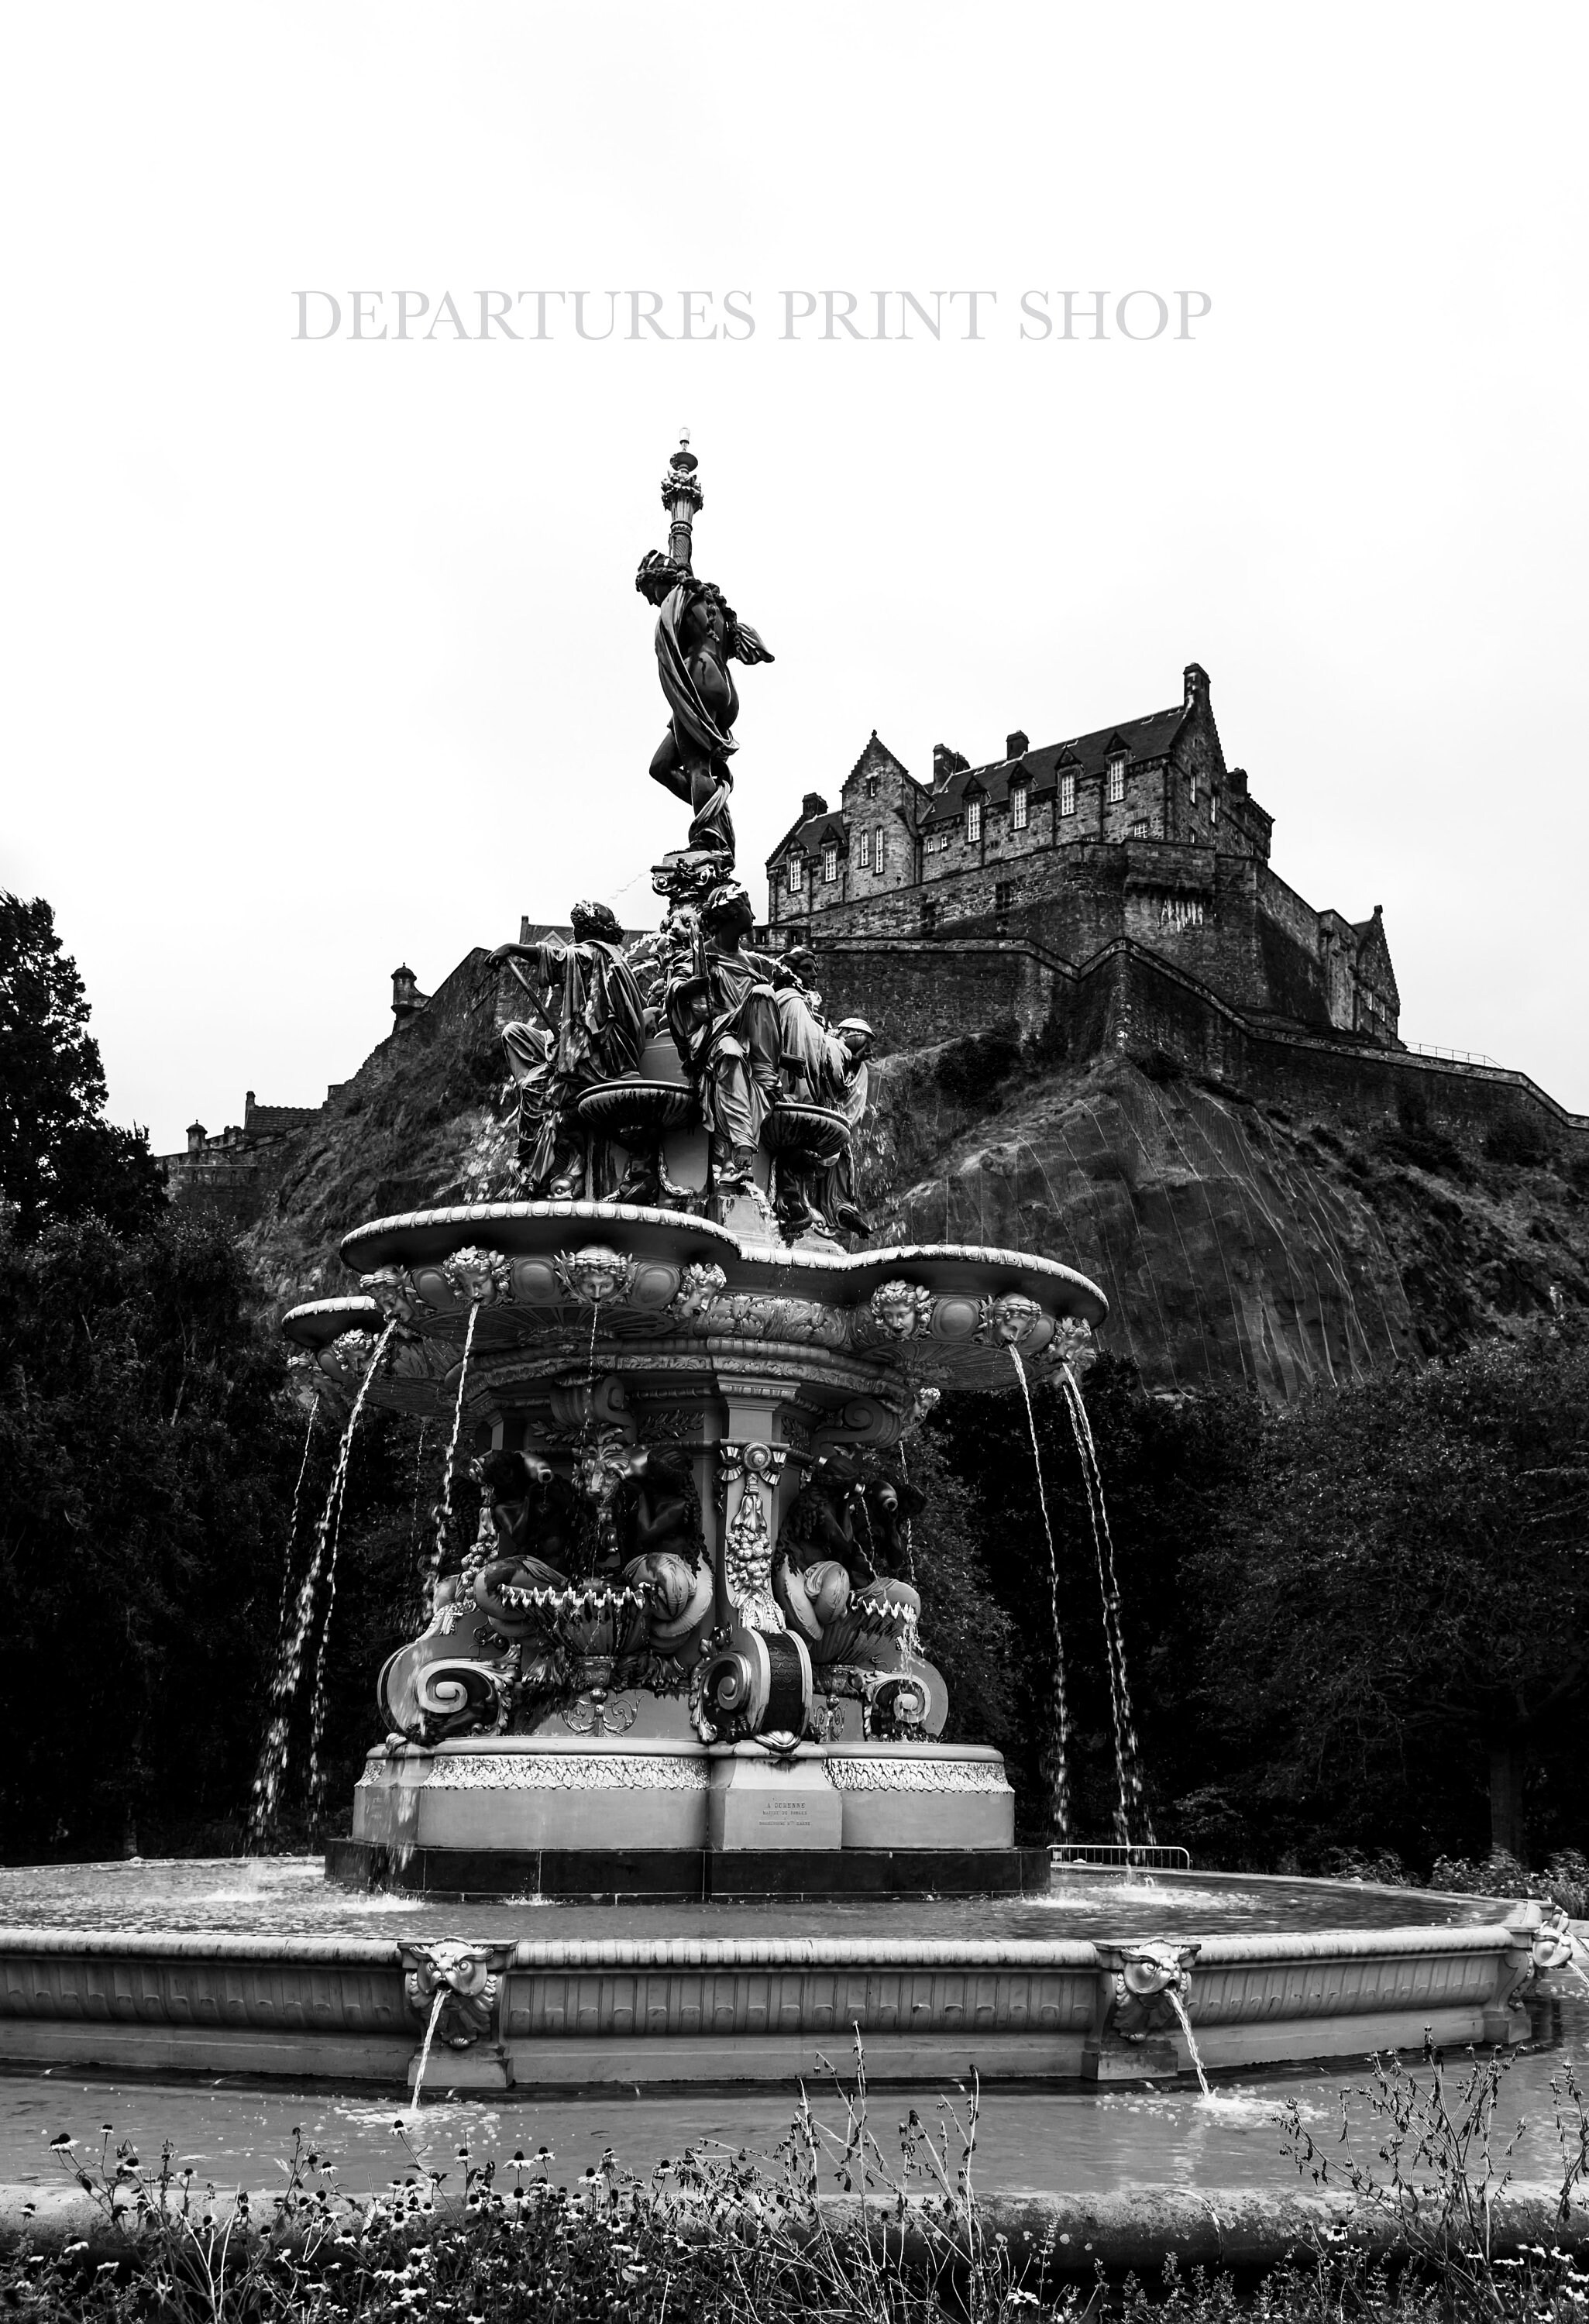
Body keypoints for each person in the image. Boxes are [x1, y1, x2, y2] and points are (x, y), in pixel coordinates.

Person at [490, 901, 649, 1196]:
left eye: (576, 929)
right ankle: (543, 1081)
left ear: (583, 930)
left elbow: (560, 957)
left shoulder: (597, 953)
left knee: (537, 1090)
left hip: (600, 1059)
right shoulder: (605, 956)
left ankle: (535, 1169)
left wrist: (512, 948)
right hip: (575, 1047)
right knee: (515, 1033)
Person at [635, 552, 773, 865]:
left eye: (648, 591)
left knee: (697, 767)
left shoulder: (680, 596)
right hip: (721, 684)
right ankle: (714, 816)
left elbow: (667, 640)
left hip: (697, 677)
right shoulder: (708, 603)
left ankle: (708, 834)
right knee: (661, 766)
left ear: (659, 579)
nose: (650, 601)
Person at [663, 881, 782, 1191]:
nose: (754, 914)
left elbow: (765, 1018)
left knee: (763, 993)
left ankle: (767, 1076)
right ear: (731, 914)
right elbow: (674, 987)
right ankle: (740, 1148)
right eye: (747, 907)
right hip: (715, 1035)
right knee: (729, 1052)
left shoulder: (753, 963)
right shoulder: (701, 955)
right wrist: (688, 987)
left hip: (749, 1039)